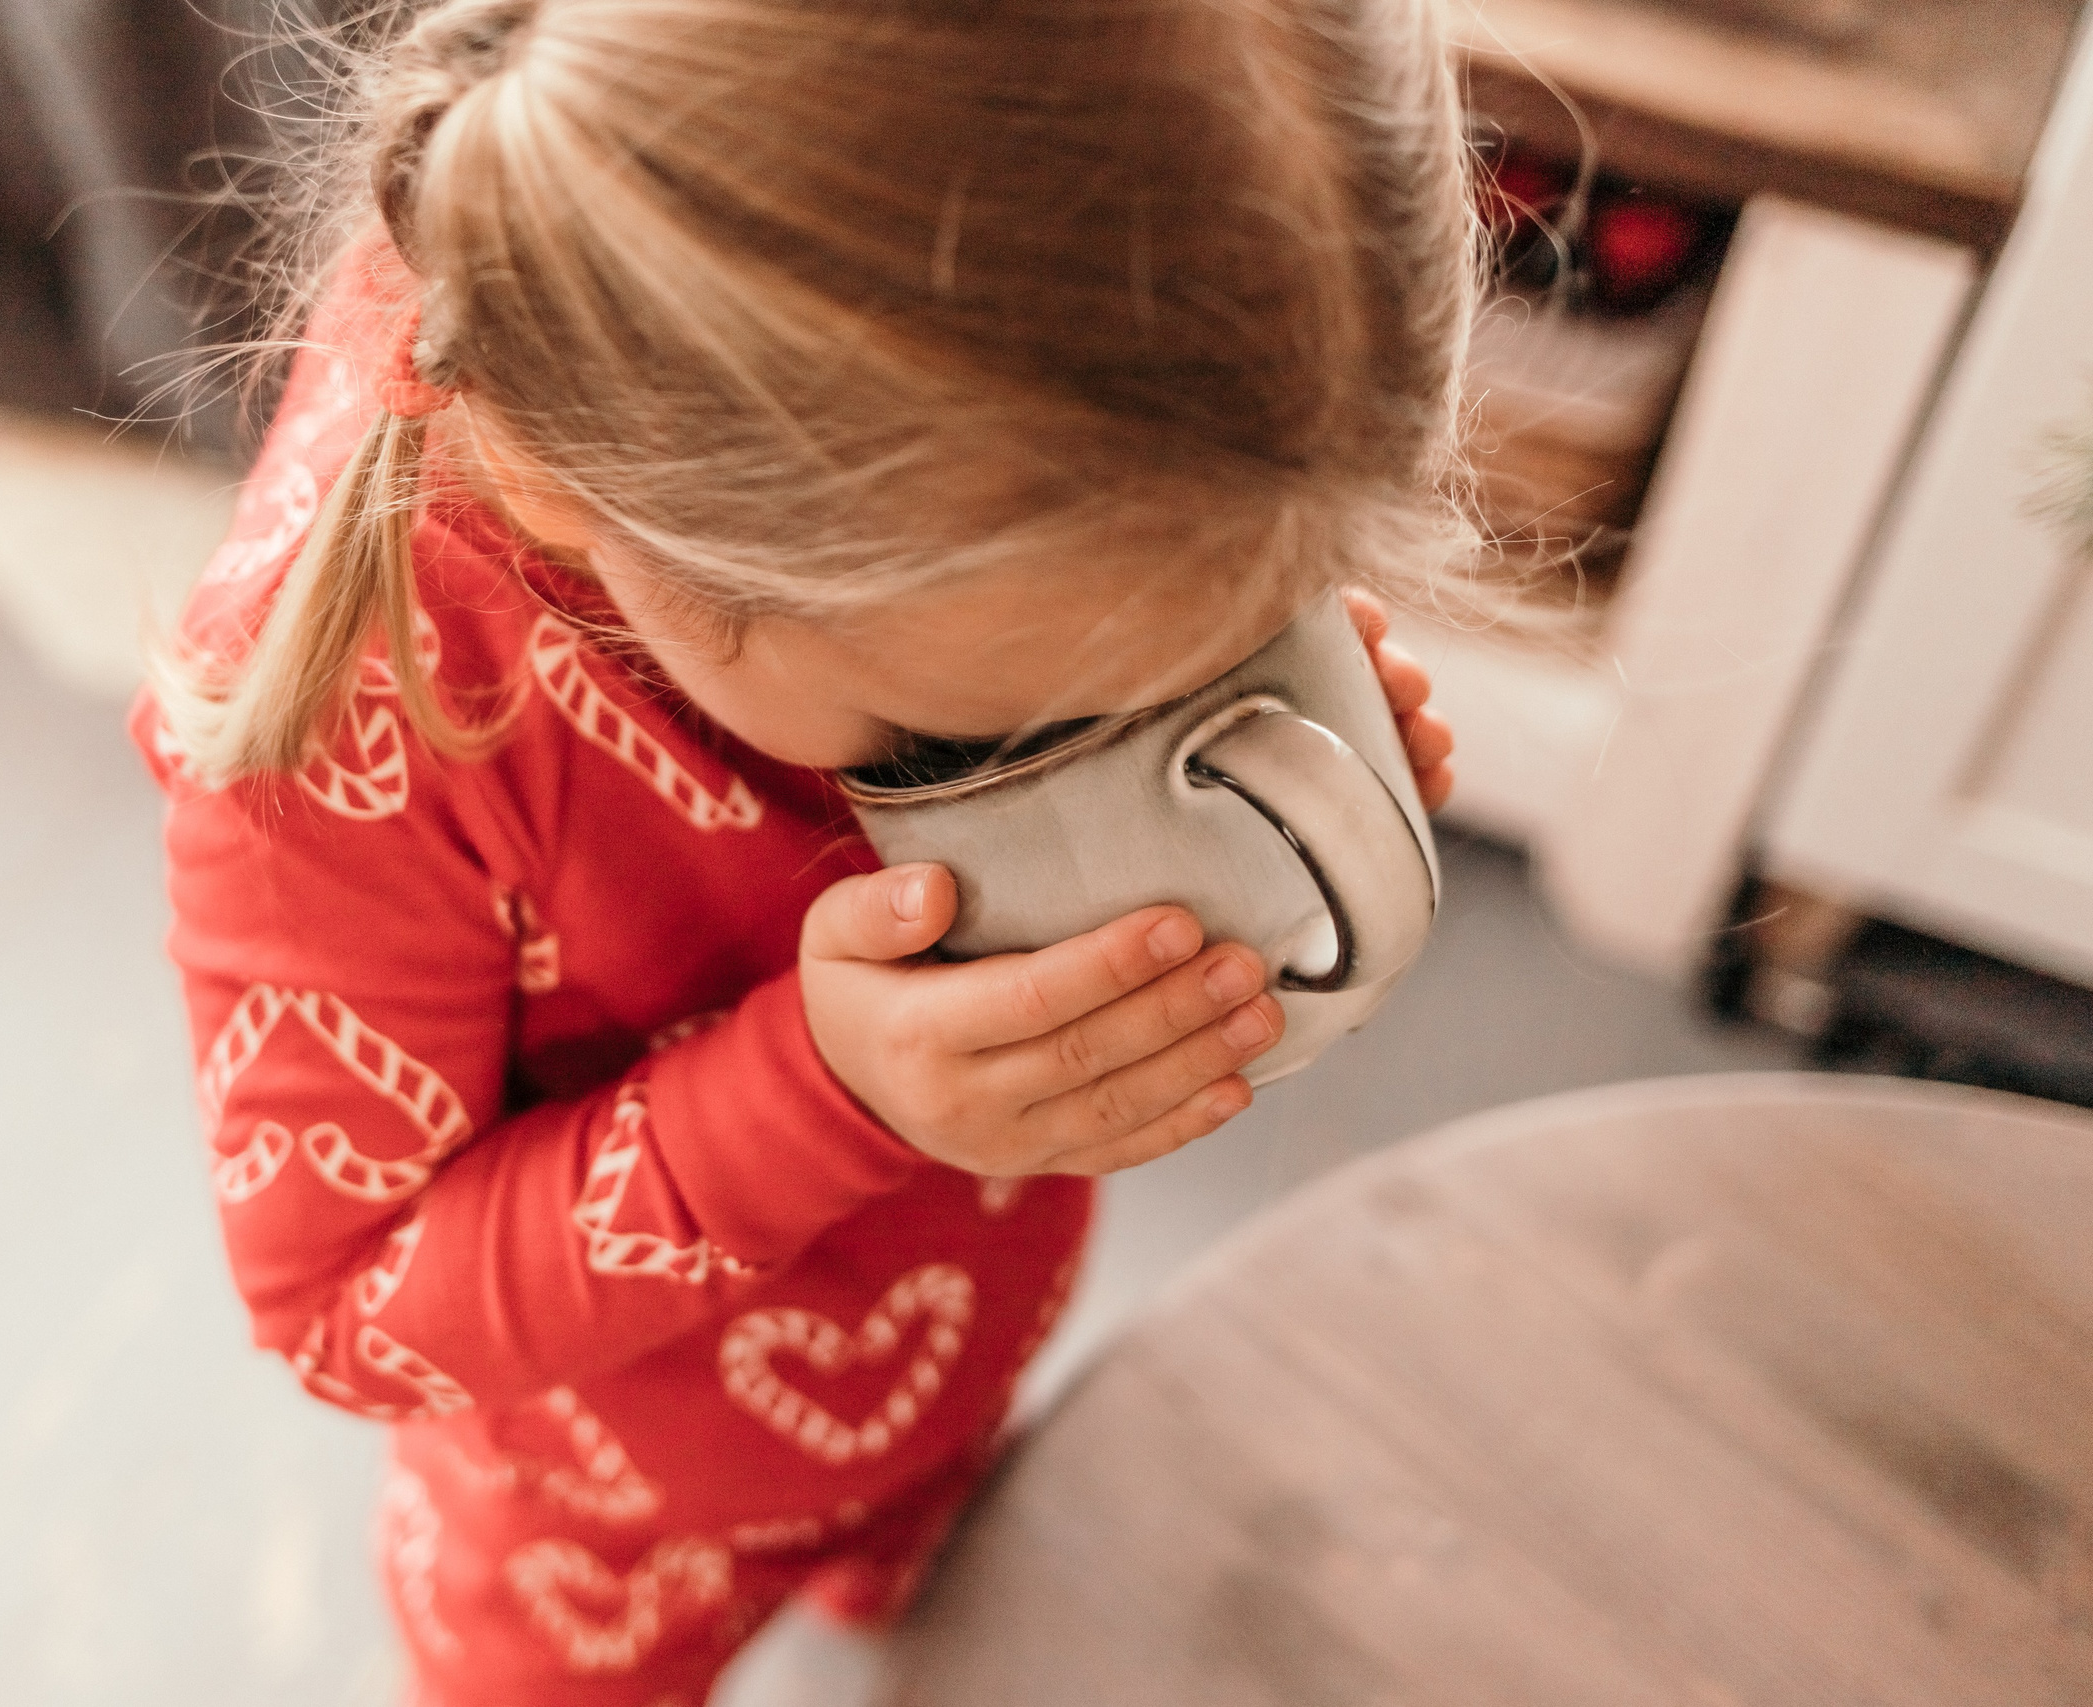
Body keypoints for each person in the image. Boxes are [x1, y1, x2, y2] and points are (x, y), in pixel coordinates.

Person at [133, 0, 1468, 1699]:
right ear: (575, 494)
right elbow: (343, 1304)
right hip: (600, 1530)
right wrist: (818, 1104)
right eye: (972, 737)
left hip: (949, 1355)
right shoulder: (340, 738)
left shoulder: (860, 463)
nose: (1091, 733)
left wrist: (1284, 761)